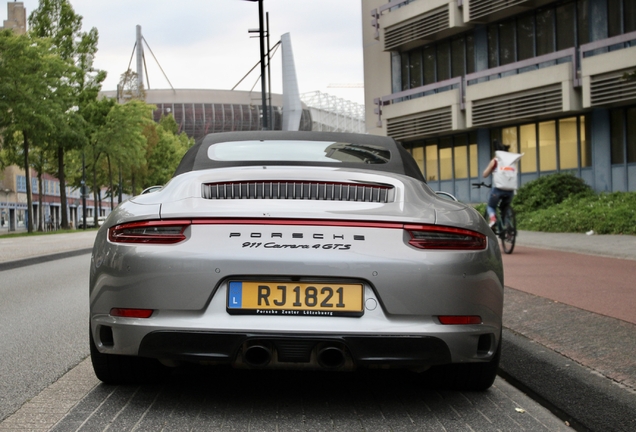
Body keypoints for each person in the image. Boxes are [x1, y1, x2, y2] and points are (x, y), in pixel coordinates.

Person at [482, 140, 523, 228]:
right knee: (505, 207)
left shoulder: (496, 160)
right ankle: (508, 225)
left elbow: (485, 174)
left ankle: (493, 220)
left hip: (498, 190)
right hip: (510, 190)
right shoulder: (511, 161)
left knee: (491, 206)